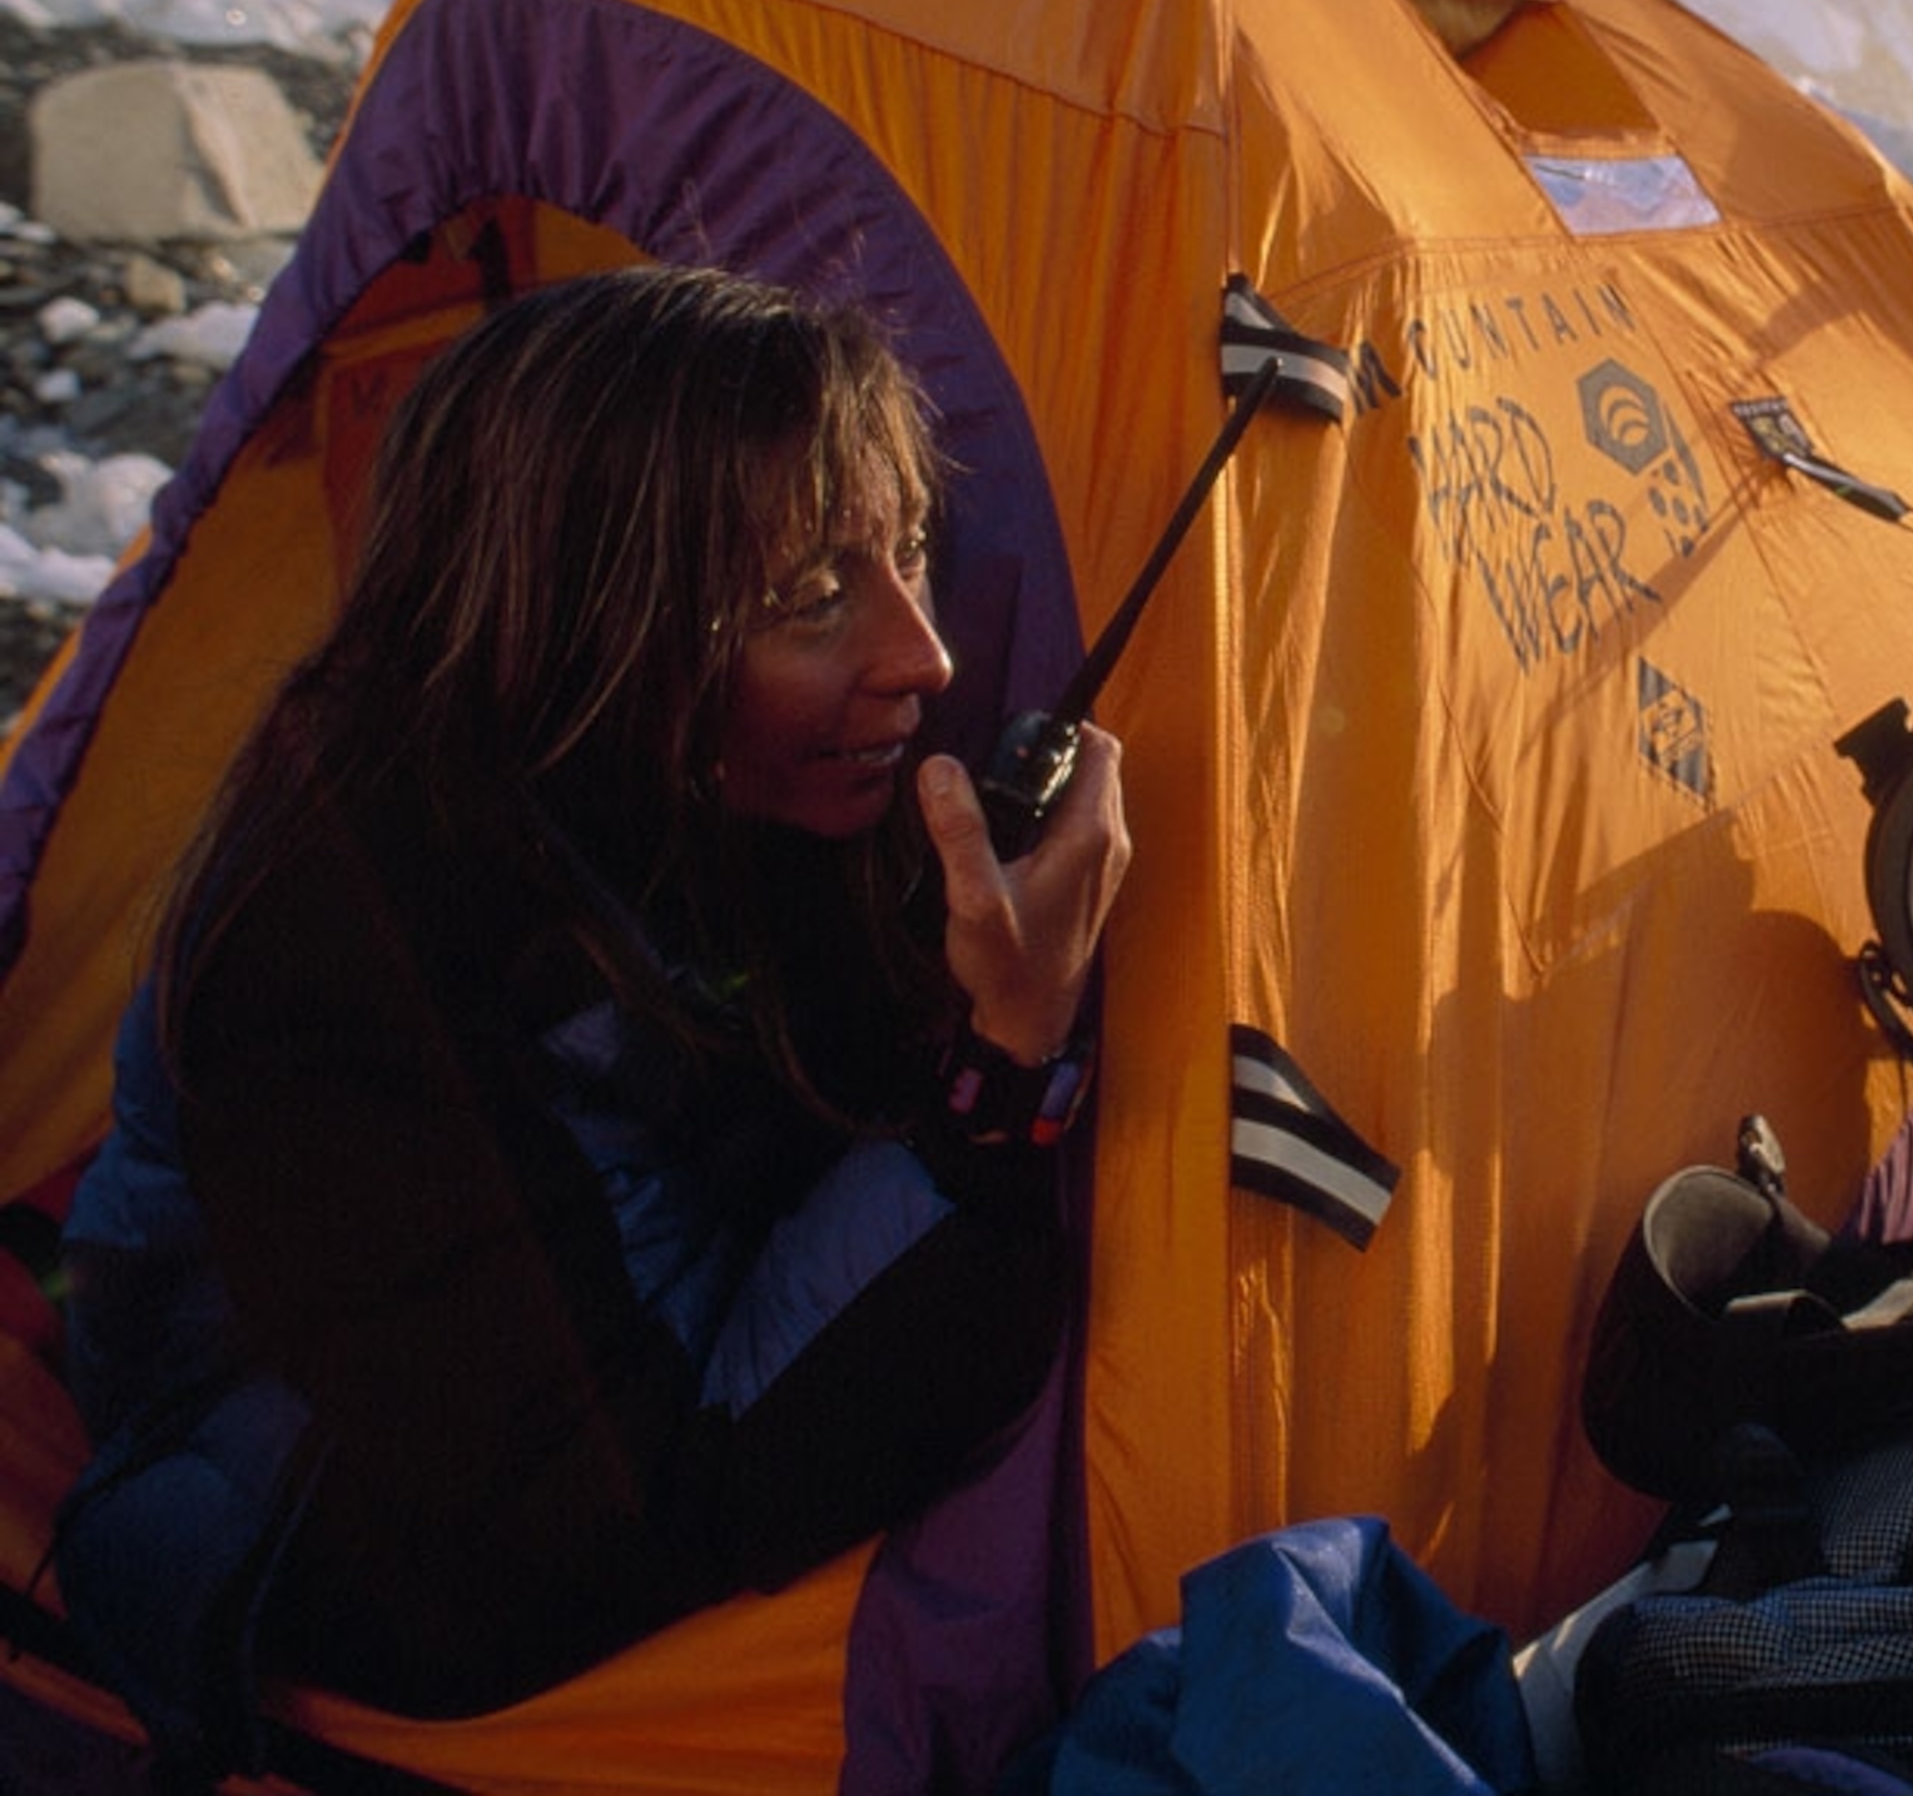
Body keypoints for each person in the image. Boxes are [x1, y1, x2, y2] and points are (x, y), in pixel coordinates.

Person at [51, 264, 1130, 1776]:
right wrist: (1001, 1071)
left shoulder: (704, 786)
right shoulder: (341, 953)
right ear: (594, 629)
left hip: (564, 1389)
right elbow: (640, 1510)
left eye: (905, 558)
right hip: (290, 1507)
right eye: (816, 596)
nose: (924, 657)